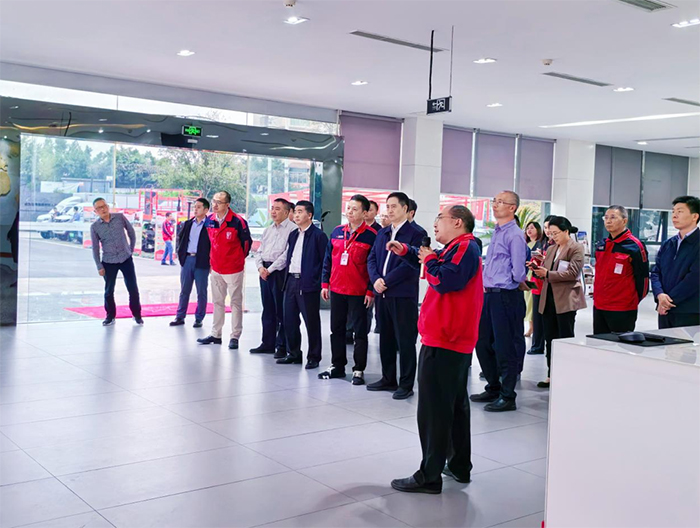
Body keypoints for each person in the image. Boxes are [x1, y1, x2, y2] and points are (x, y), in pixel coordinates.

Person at [388, 205, 483, 494]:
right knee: (453, 405)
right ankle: (458, 465)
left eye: (440, 218)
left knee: (433, 410)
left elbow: (445, 280)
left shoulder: (465, 247)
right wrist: (408, 252)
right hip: (450, 337)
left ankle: (429, 475)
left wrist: (429, 259)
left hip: (445, 338)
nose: (435, 224)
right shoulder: (457, 248)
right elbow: (434, 262)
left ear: (458, 222)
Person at [471, 191, 527, 412]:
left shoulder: (515, 234)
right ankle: (493, 387)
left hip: (505, 294)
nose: (495, 205)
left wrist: (508, 282)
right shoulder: (497, 231)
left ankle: (508, 395)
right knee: (482, 341)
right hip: (489, 294)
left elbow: (519, 272)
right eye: (495, 201)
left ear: (512, 208)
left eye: (501, 202)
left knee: (505, 346)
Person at [366, 191, 423, 399]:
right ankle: (388, 378)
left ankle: (406, 384)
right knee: (386, 338)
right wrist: (376, 280)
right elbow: (372, 258)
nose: (389, 210)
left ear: (405, 209)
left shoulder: (416, 233)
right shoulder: (383, 233)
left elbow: (411, 265)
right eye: (387, 206)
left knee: (405, 340)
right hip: (382, 294)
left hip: (402, 295)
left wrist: (386, 281)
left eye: (394, 206)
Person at [319, 194, 376, 384]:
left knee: (359, 332)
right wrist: (325, 283)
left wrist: (370, 291)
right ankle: (337, 365)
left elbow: (373, 266)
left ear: (365, 213)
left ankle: (358, 369)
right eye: (348, 208)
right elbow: (328, 259)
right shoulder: (337, 231)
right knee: (336, 329)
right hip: (337, 289)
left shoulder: (372, 236)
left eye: (355, 209)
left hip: (359, 292)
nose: (350, 212)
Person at [532, 216, 587, 388]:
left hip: (565, 300)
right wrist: (537, 269)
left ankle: (566, 374)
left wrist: (547, 274)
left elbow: (572, 273)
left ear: (566, 231)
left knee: (565, 338)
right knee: (550, 339)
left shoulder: (576, 248)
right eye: (550, 233)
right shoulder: (551, 248)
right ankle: (551, 374)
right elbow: (547, 271)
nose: (553, 236)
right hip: (548, 298)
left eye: (555, 233)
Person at [277, 200, 328, 368]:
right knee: (289, 320)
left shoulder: (318, 236)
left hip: (308, 283)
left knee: (311, 322)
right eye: (295, 212)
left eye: (300, 212)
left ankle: (314, 356)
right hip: (291, 281)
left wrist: (320, 282)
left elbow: (325, 261)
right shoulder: (293, 234)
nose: (296, 215)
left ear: (309, 215)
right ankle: (293, 353)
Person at [197, 191, 251, 349]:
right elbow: (209, 243)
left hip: (233, 269)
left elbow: (246, 244)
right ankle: (216, 334)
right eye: (214, 201)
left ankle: (235, 336)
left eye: (219, 202)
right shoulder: (210, 220)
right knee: (217, 302)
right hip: (216, 268)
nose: (215, 205)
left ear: (227, 205)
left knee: (235, 303)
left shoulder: (238, 221)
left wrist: (237, 259)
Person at [593, 205, 649, 334]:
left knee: (620, 344)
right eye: (606, 217)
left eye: (613, 217)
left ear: (624, 221)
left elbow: (643, 278)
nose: (608, 221)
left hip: (622, 307)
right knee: (598, 343)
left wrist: (633, 300)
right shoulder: (602, 245)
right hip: (599, 305)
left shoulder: (635, 246)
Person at [251, 198, 296, 357]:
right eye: (272, 208)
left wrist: (269, 270)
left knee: (281, 310)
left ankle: (281, 345)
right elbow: (259, 251)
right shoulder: (268, 230)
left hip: (279, 272)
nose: (273, 212)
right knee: (267, 308)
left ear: (287, 212)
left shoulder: (293, 230)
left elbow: (287, 255)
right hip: (264, 272)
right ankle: (267, 343)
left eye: (277, 209)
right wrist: (260, 268)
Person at [90, 198, 143, 326]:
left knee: (133, 288)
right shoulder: (95, 227)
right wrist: (99, 266)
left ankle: (137, 315)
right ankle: (110, 316)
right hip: (108, 261)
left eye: (104, 206)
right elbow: (95, 248)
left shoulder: (119, 217)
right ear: (95, 211)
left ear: (107, 206)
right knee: (109, 291)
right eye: (99, 208)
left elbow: (131, 233)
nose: (102, 209)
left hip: (125, 258)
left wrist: (130, 250)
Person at [650, 195, 700, 329]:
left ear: (695, 216)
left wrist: (668, 301)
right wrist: (660, 295)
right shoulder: (668, 244)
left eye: (680, 211)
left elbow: (694, 278)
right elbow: (656, 272)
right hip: (665, 310)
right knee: (664, 342)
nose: (674, 216)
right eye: (673, 212)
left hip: (689, 311)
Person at [170, 198, 211, 328]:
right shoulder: (188, 224)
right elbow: (180, 239)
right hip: (187, 259)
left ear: (206, 210)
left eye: (199, 207)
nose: (195, 209)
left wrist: (211, 262)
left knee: (201, 292)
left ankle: (199, 318)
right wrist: (181, 256)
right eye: (195, 207)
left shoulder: (210, 225)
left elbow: (214, 245)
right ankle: (180, 316)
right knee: (184, 290)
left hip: (202, 261)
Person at [523, 221, 543, 338]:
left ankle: (532, 327)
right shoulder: (525, 243)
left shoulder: (539, 244)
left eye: (532, 228)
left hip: (534, 275)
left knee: (532, 302)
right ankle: (530, 325)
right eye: (527, 228)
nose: (529, 230)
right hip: (525, 274)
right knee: (527, 301)